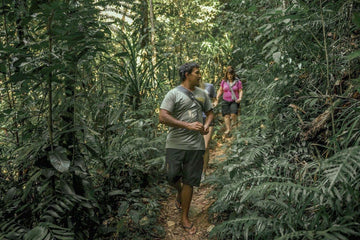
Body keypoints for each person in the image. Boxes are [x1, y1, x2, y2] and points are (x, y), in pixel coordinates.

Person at [159, 62, 214, 235]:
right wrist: (186, 125)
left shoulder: (203, 94)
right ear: (186, 75)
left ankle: (185, 217)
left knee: (189, 181)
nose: (200, 76)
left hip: (196, 146)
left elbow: (211, 112)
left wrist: (206, 125)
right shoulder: (173, 94)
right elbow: (162, 117)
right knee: (172, 176)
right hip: (175, 143)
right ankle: (179, 193)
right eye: (197, 73)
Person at [214, 66, 243, 137]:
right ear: (226, 74)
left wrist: (240, 98)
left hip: (234, 100)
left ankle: (235, 127)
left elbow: (240, 90)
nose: (230, 76)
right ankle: (228, 129)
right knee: (226, 115)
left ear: (233, 74)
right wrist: (217, 97)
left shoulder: (237, 82)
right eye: (228, 74)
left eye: (231, 74)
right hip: (225, 100)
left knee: (233, 114)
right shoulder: (224, 81)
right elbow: (220, 90)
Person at [200, 82, 216, 181]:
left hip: (208, 118)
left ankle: (203, 172)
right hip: (195, 120)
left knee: (205, 146)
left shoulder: (209, 86)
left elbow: (215, 99)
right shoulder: (189, 88)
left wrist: (214, 104)